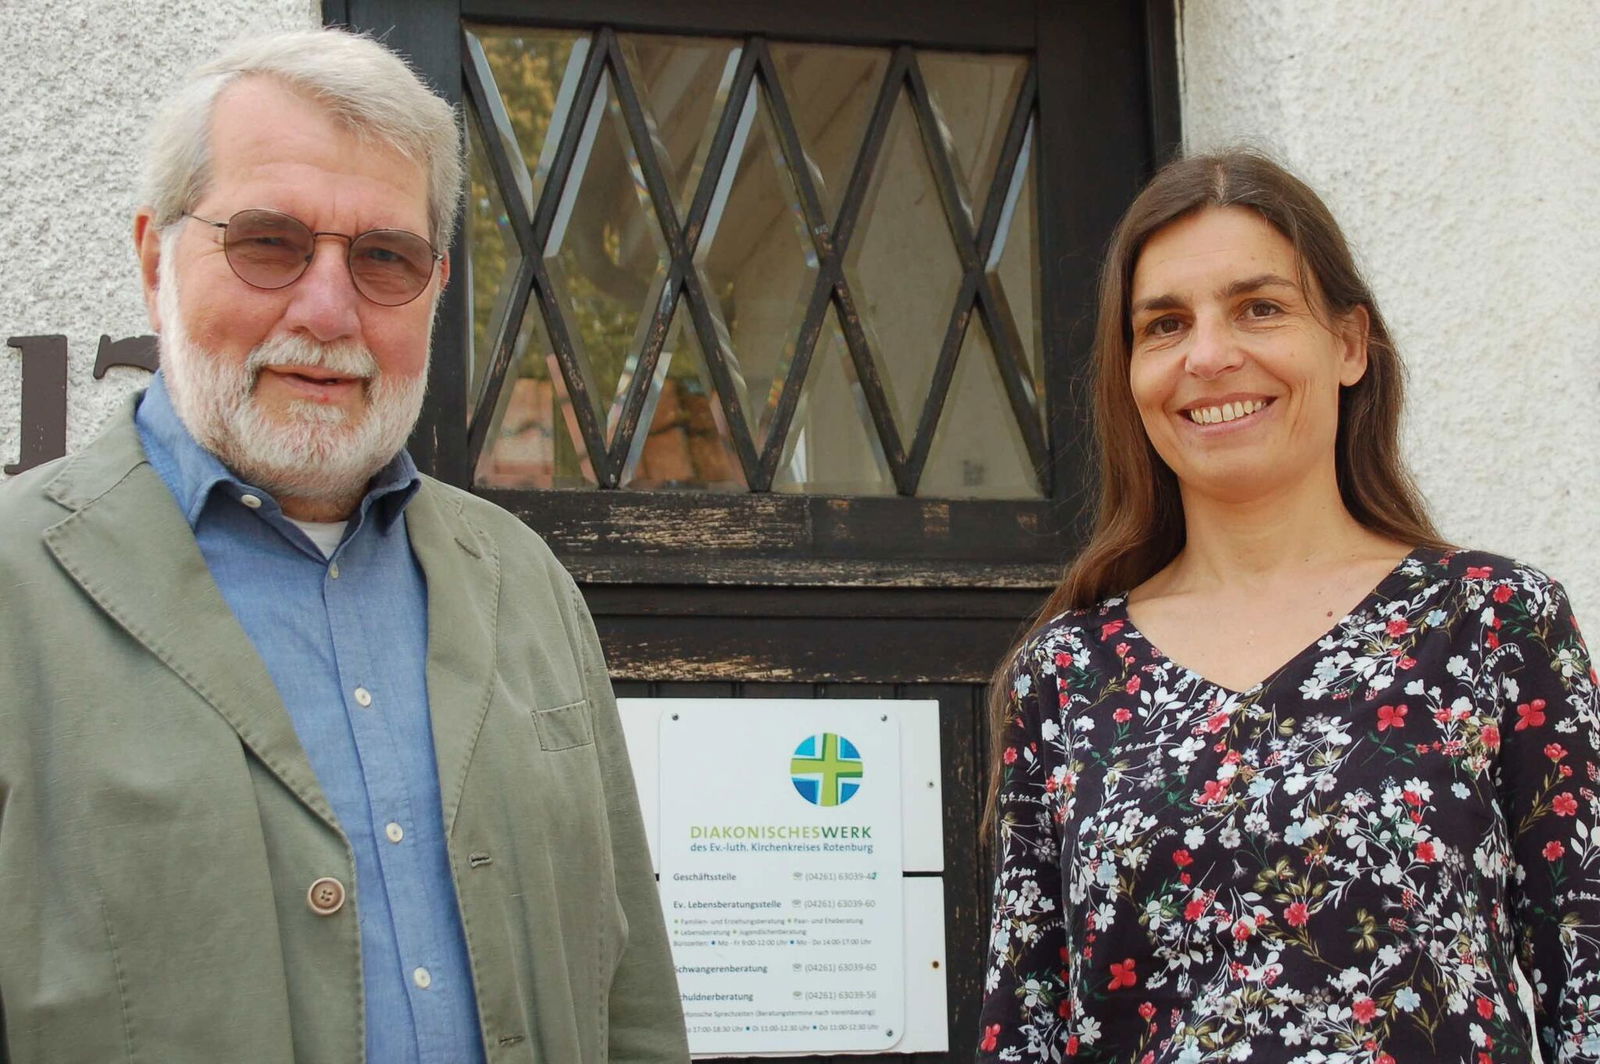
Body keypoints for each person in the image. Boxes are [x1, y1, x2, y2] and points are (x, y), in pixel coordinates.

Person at [0, 28, 688, 1064]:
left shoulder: (525, 582)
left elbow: (630, 1004)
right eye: (268, 243)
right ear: (155, 259)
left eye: (383, 258)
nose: (328, 310)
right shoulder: (17, 588)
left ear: (435, 282)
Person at [977, 151, 1599, 1063]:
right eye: (1164, 324)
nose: (1209, 354)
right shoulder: (1068, 675)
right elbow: (1023, 1025)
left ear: (1349, 344)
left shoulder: (1495, 623)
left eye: (1259, 307)